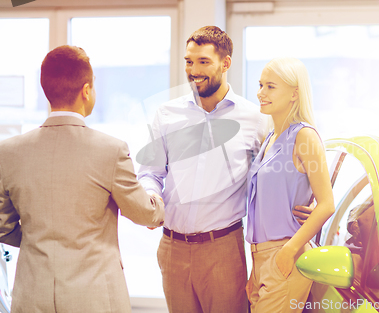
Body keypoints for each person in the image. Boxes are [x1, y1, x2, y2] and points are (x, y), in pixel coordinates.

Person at [137, 26, 313, 313]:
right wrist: (150, 198)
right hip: (172, 248)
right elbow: (150, 173)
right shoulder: (166, 114)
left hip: (223, 248)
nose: (193, 70)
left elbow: (276, 172)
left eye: (203, 62)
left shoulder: (255, 118)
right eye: (189, 61)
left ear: (225, 63)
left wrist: (306, 199)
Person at [0, 45, 165, 313]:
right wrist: (157, 198)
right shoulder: (110, 150)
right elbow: (144, 214)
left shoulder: (9, 152)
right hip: (94, 298)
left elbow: (3, 226)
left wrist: (38, 240)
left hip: (32, 296)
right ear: (86, 91)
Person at [246, 57, 335, 312]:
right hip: (260, 256)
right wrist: (258, 265)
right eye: (260, 85)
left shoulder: (304, 136)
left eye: (270, 87)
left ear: (294, 94)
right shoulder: (271, 137)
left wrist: (288, 250)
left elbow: (327, 204)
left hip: (284, 254)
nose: (260, 93)